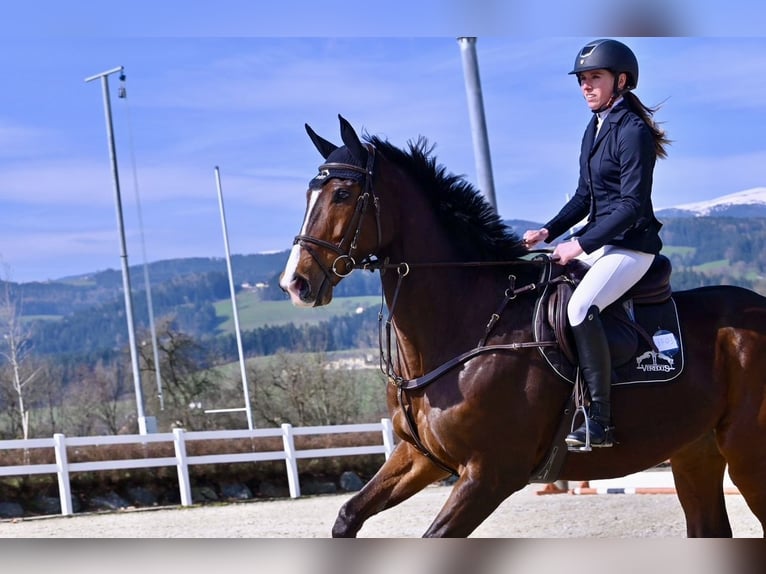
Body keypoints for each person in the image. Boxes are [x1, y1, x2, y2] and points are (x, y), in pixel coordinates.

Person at [523, 38, 670, 449]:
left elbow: (630, 204)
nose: (587, 86)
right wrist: (548, 232)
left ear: (621, 81)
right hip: (603, 244)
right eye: (583, 80)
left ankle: (600, 421)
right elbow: (584, 197)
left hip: (631, 247)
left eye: (595, 78)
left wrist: (580, 244)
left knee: (579, 307)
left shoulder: (633, 131)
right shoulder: (595, 128)